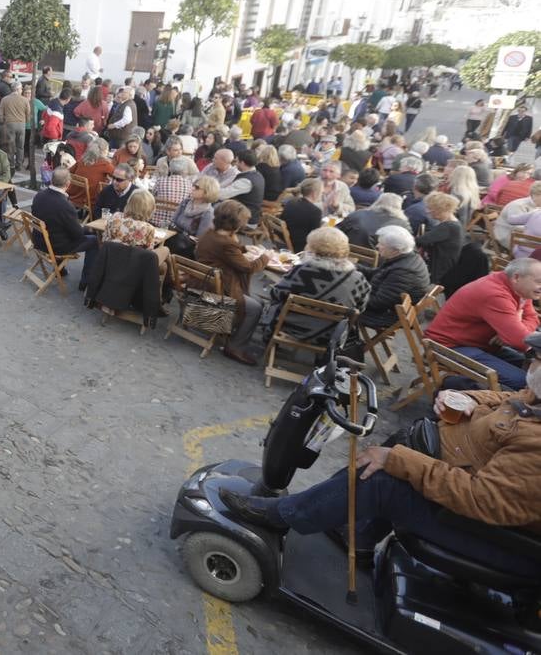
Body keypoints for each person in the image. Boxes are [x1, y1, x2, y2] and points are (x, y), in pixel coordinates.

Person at [220, 376, 541, 577]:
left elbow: (482, 500)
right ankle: (356, 534)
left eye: (538, 357)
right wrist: (472, 399)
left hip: (498, 538)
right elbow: (510, 399)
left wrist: (400, 461)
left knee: (383, 478)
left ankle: (279, 515)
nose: (532, 361)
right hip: (470, 474)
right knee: (404, 446)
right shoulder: (535, 399)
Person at [426, 259, 541, 391]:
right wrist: (513, 330)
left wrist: (515, 327)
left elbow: (532, 318)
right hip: (449, 346)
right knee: (528, 382)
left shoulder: (517, 288)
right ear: (516, 277)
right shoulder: (496, 294)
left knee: (534, 372)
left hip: (478, 344)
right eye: (539, 282)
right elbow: (522, 342)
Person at [258, 227, 370, 343]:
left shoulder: (303, 271)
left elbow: (276, 294)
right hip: (330, 336)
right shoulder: (358, 278)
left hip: (288, 327)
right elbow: (360, 309)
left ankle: (269, 341)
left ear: (314, 248)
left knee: (266, 304)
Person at [195, 200, 273, 365]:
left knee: (255, 302)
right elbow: (248, 267)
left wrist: (244, 249)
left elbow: (225, 252)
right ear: (236, 223)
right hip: (217, 289)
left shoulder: (210, 233)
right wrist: (266, 257)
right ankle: (235, 347)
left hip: (201, 281)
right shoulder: (227, 244)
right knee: (256, 308)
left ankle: (232, 334)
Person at [356, 225, 431, 333]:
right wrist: (353, 267)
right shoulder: (405, 257)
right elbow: (376, 274)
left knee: (341, 305)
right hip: (390, 309)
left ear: (395, 249)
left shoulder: (403, 272)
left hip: (390, 316)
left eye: (381, 244)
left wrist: (353, 295)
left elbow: (377, 303)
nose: (377, 246)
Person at [35, 168, 98, 262]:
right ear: (68, 184)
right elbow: (78, 235)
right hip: (56, 247)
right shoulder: (66, 206)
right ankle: (88, 276)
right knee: (95, 240)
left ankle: (60, 270)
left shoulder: (39, 196)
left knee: (86, 230)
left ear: (52, 180)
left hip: (39, 240)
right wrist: (86, 229)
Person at [418, 192, 466, 285]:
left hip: (441, 271)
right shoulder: (453, 223)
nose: (428, 211)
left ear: (442, 210)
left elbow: (421, 240)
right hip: (444, 265)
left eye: (431, 209)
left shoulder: (448, 226)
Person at [337, 192, 411, 248]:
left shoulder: (358, 214)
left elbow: (338, 229)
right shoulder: (403, 224)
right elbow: (407, 246)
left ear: (377, 202)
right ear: (399, 207)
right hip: (379, 261)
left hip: (348, 252)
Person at [169, 175, 220, 256]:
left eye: (197, 187)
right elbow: (172, 221)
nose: (192, 188)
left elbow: (198, 240)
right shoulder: (185, 202)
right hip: (173, 239)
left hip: (186, 249)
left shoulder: (208, 213)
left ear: (207, 192)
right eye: (193, 185)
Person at [218, 149, 265, 224]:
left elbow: (222, 195)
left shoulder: (246, 181)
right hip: (243, 213)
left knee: (213, 210)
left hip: (245, 219)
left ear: (242, 163)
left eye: (236, 161)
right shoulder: (256, 174)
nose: (235, 164)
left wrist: (208, 190)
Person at [152, 156, 193, 228]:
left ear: (170, 169)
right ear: (184, 170)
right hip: (175, 223)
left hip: (156, 220)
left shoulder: (160, 180)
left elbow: (152, 197)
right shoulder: (189, 184)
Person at [0, 83, 30, 162]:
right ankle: (19, 163)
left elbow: (0, 113)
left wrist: (2, 122)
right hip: (21, 124)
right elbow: (28, 113)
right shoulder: (25, 100)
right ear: (18, 89)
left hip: (9, 124)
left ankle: (11, 162)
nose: (22, 90)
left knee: (10, 145)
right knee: (20, 146)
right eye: (21, 89)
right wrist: (26, 121)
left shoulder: (5, 99)